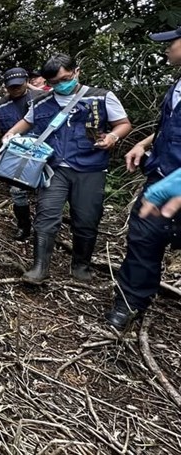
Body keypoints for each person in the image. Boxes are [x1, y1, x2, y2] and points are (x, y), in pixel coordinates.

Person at [4, 54, 131, 285]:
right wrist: (11, 134)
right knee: (46, 215)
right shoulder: (42, 101)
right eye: (54, 82)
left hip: (90, 167)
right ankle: (39, 267)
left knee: (86, 218)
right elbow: (26, 122)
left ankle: (80, 266)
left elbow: (123, 124)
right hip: (54, 168)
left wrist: (113, 136)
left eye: (65, 78)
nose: (61, 85)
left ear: (77, 71)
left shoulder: (102, 97)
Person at [105, 25, 181, 330]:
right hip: (161, 176)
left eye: (171, 43)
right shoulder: (176, 85)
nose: (166, 49)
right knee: (143, 239)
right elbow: (170, 126)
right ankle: (130, 301)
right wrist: (143, 143)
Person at [0, 68, 38, 240]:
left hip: (40, 151)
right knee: (17, 190)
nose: (15, 89)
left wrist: (34, 89)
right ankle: (24, 227)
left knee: (46, 190)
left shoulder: (39, 98)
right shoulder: (0, 105)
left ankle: (43, 228)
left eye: (19, 85)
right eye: (11, 86)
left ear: (27, 82)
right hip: (14, 152)